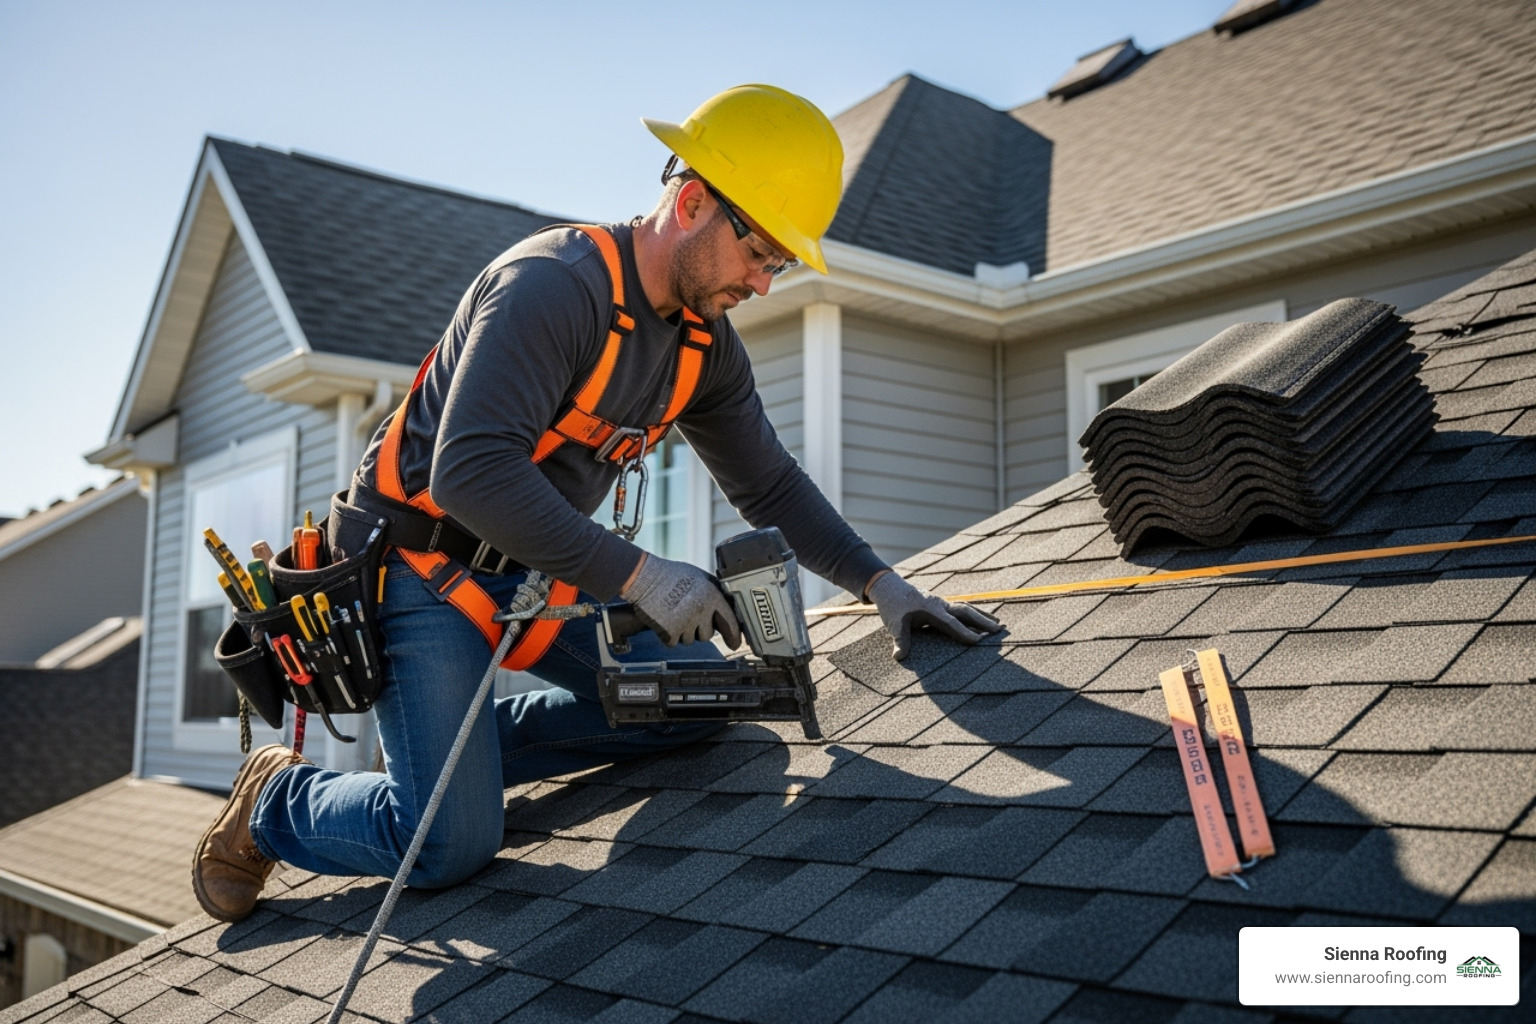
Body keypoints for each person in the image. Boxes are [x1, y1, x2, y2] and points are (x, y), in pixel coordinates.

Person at [193, 85, 1001, 924]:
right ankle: (278, 804)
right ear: (693, 204)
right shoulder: (550, 286)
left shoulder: (703, 349)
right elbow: (467, 474)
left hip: (537, 569)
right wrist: (643, 574)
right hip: (419, 571)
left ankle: (455, 763)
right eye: (761, 254)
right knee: (443, 847)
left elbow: (770, 484)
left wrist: (882, 587)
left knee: (701, 703)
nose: (764, 284)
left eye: (781, 266)